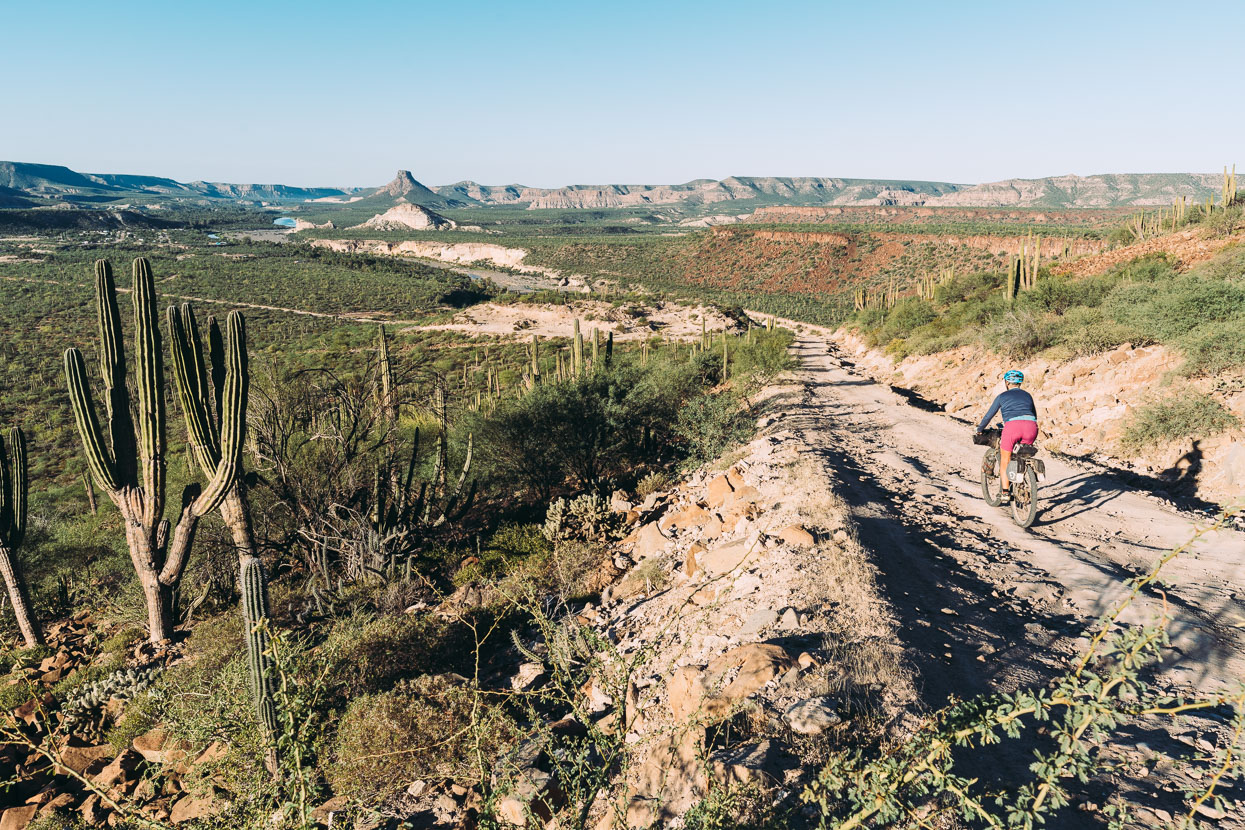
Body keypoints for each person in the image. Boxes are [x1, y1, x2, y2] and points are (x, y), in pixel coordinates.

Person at [975, 370, 1038, 505]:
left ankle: (1005, 492)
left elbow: (988, 416)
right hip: (1031, 427)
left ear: (1007, 382)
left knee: (1005, 459)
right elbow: (1034, 414)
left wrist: (980, 429)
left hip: (1013, 427)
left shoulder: (1002, 396)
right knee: (1022, 454)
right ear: (1020, 382)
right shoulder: (1028, 395)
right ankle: (1022, 481)